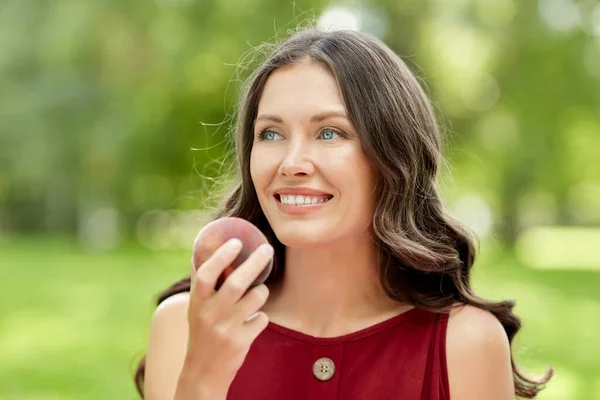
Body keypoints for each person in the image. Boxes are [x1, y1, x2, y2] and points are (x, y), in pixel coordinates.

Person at [134, 28, 553, 399]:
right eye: (271, 134)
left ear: (392, 157)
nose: (291, 162)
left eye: (329, 132)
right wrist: (202, 378)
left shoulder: (465, 344)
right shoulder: (184, 327)